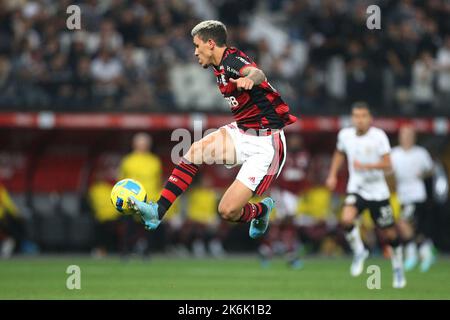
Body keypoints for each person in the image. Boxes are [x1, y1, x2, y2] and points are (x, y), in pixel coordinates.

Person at [129, 20, 297, 240]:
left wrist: (248, 79)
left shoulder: (232, 61)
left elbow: (257, 73)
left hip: (267, 143)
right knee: (195, 151)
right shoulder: (218, 67)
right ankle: (157, 212)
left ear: (210, 44)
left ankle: (261, 210)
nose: (195, 52)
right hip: (243, 132)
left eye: (197, 46)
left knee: (227, 211)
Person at [325, 102, 406, 288]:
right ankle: (359, 251)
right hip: (357, 188)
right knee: (346, 219)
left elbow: (388, 164)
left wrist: (368, 166)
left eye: (363, 116)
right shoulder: (345, 135)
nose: (359, 120)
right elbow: (339, 153)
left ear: (370, 118)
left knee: (390, 234)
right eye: (356, 116)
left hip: (378, 192)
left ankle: (398, 267)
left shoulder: (378, 137)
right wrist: (332, 174)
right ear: (352, 118)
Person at [259, 134, 310, 268]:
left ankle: (267, 249)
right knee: (287, 222)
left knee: (282, 224)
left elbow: (305, 174)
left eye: (297, 139)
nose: (295, 142)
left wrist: (304, 191)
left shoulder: (304, 155)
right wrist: (270, 188)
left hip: (295, 195)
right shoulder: (281, 152)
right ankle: (289, 254)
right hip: (282, 192)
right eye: (292, 139)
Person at [391, 125, 435, 272]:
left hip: (417, 195)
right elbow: (388, 173)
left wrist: (422, 175)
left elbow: (431, 170)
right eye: (404, 135)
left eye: (409, 135)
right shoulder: (394, 153)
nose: (406, 138)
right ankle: (426, 250)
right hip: (402, 195)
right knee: (412, 228)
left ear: (414, 137)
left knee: (403, 223)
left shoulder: (421, 153)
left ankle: (412, 254)